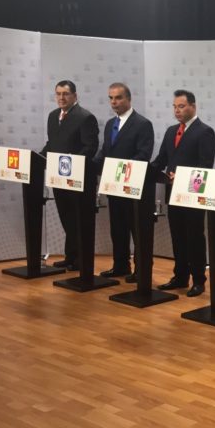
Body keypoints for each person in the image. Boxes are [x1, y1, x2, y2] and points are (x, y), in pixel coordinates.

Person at [150, 90, 215, 297]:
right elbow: (161, 160)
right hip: (173, 193)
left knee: (194, 237)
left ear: (193, 107)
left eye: (181, 106)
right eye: (174, 107)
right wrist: (144, 171)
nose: (177, 110)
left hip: (193, 195)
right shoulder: (171, 131)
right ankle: (180, 276)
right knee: (177, 236)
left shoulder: (205, 132)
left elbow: (205, 166)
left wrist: (182, 177)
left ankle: (198, 280)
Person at [94, 83, 154, 282]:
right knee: (118, 228)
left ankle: (141, 269)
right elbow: (106, 151)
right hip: (114, 186)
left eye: (118, 98)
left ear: (128, 99)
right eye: (111, 98)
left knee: (137, 230)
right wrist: (91, 165)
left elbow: (143, 155)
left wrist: (120, 171)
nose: (114, 102)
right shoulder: (110, 123)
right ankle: (120, 265)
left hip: (133, 187)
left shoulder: (142, 124)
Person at [41, 80, 100, 271]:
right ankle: (71, 257)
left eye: (65, 94)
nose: (61, 97)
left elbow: (90, 147)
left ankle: (81, 260)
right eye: (58, 94)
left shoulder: (85, 117)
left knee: (79, 220)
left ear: (75, 95)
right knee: (67, 219)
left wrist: (72, 165)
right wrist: (38, 158)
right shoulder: (53, 116)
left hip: (79, 179)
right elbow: (52, 144)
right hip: (59, 178)